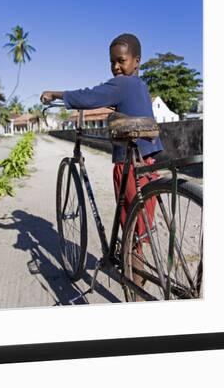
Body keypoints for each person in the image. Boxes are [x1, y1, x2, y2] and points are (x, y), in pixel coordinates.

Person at [40, 33, 164, 294]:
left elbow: (90, 96)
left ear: (136, 61)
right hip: (149, 162)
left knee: (132, 229)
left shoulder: (121, 85)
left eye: (121, 61)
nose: (116, 67)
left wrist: (57, 94)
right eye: (112, 62)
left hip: (130, 163)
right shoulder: (139, 86)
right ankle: (134, 274)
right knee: (139, 227)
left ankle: (136, 288)